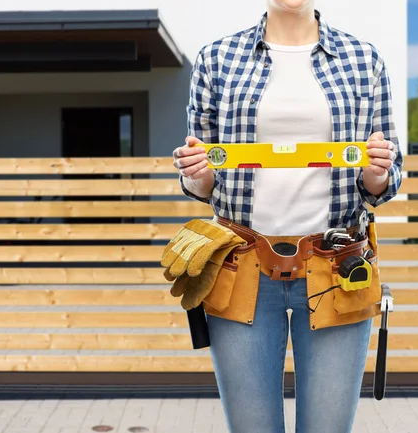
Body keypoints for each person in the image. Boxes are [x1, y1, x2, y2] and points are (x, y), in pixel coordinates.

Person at [171, 1, 403, 432]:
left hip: (337, 270)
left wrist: (376, 174)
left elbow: (387, 177)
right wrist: (198, 175)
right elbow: (201, 184)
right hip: (242, 268)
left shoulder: (364, 60)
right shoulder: (216, 60)